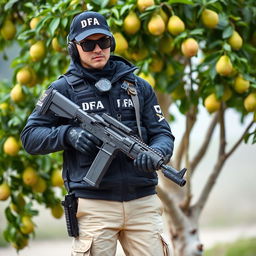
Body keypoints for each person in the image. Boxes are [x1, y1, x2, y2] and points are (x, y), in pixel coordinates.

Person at [21, 10, 175, 256]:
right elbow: (30, 137)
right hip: (94, 206)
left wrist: (157, 152)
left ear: (111, 43)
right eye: (87, 44)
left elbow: (162, 133)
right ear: (74, 48)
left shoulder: (138, 86)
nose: (97, 49)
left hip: (142, 203)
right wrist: (68, 135)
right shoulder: (62, 90)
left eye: (103, 42)